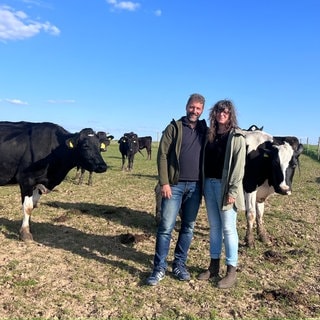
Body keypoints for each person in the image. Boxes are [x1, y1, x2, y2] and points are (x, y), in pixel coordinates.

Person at [146, 93, 207, 286]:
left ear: (202, 110)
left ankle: (179, 264)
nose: (194, 111)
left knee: (188, 227)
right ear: (186, 106)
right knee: (166, 228)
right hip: (174, 185)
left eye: (198, 109)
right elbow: (162, 155)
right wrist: (164, 182)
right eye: (192, 107)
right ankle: (159, 268)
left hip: (196, 186)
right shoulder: (174, 127)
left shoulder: (205, 130)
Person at [197, 99, 246, 289]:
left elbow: (238, 167)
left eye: (225, 111)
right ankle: (213, 266)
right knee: (214, 227)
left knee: (228, 228)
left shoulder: (236, 137)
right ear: (214, 113)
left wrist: (233, 191)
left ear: (230, 113)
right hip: (209, 184)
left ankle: (231, 270)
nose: (221, 114)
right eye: (218, 111)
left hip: (226, 188)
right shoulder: (210, 134)